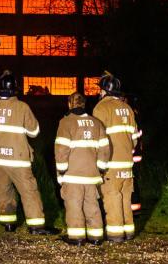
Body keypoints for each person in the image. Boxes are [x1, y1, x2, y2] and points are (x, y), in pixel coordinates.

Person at [0, 70, 54, 234]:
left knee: (4, 192)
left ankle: (8, 225)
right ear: (15, 89)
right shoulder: (22, 107)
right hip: (18, 160)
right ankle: (36, 226)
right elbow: (34, 132)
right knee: (29, 192)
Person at [54, 92, 111, 246]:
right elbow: (105, 149)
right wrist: (100, 169)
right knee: (92, 205)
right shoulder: (96, 123)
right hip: (92, 176)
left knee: (74, 206)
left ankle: (77, 237)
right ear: (84, 104)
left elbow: (61, 150)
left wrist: (61, 172)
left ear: (69, 104)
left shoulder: (65, 123)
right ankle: (96, 236)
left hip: (73, 176)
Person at [93, 71, 140, 242]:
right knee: (125, 199)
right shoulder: (127, 108)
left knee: (112, 198)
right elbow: (134, 140)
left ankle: (115, 235)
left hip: (110, 163)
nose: (99, 93)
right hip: (127, 164)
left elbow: (97, 138)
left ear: (105, 90)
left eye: (100, 90)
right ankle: (128, 232)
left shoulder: (101, 108)